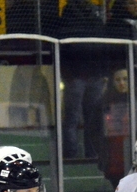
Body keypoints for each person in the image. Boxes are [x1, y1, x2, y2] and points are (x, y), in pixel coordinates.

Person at [58, 0, 108, 159]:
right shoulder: (72, 17)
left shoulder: (91, 16)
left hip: (87, 75)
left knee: (87, 118)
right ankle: (78, 153)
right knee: (77, 118)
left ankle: (80, 154)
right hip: (80, 75)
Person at [99, 68, 137, 189]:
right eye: (117, 80)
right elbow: (96, 130)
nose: (121, 83)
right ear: (112, 82)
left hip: (136, 152)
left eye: (125, 79)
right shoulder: (104, 102)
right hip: (113, 155)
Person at [105, 0, 137, 94]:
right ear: (123, 5)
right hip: (122, 69)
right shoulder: (114, 24)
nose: (136, 6)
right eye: (132, 3)